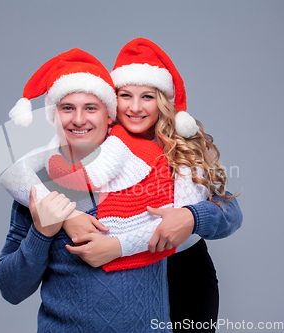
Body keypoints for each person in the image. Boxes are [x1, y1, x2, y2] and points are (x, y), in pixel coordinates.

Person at [63, 38, 242, 332]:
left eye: (147, 96)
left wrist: (192, 217)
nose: (135, 108)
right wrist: (66, 216)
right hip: (128, 275)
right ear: (113, 98)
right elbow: (43, 184)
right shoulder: (98, 141)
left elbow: (231, 213)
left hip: (185, 273)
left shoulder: (185, 145)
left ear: (162, 100)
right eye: (125, 95)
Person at [0, 48, 175, 332]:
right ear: (54, 116)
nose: (79, 119)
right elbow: (11, 288)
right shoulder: (37, 184)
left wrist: (192, 218)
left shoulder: (147, 167)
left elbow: (224, 211)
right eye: (67, 108)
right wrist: (42, 232)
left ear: (110, 116)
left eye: (91, 108)